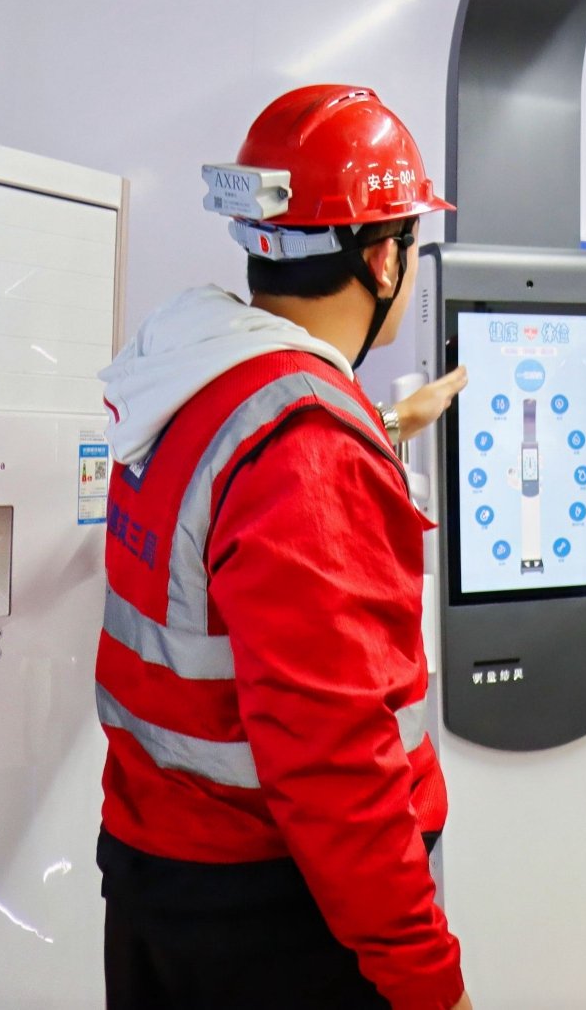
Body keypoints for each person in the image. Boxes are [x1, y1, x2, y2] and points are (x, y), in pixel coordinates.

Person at [95, 85, 473, 1010]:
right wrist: (428, 982)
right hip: (275, 922)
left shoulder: (192, 375)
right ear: (383, 258)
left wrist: (383, 426)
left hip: (160, 886)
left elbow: (238, 518)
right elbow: (336, 766)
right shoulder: (307, 450)